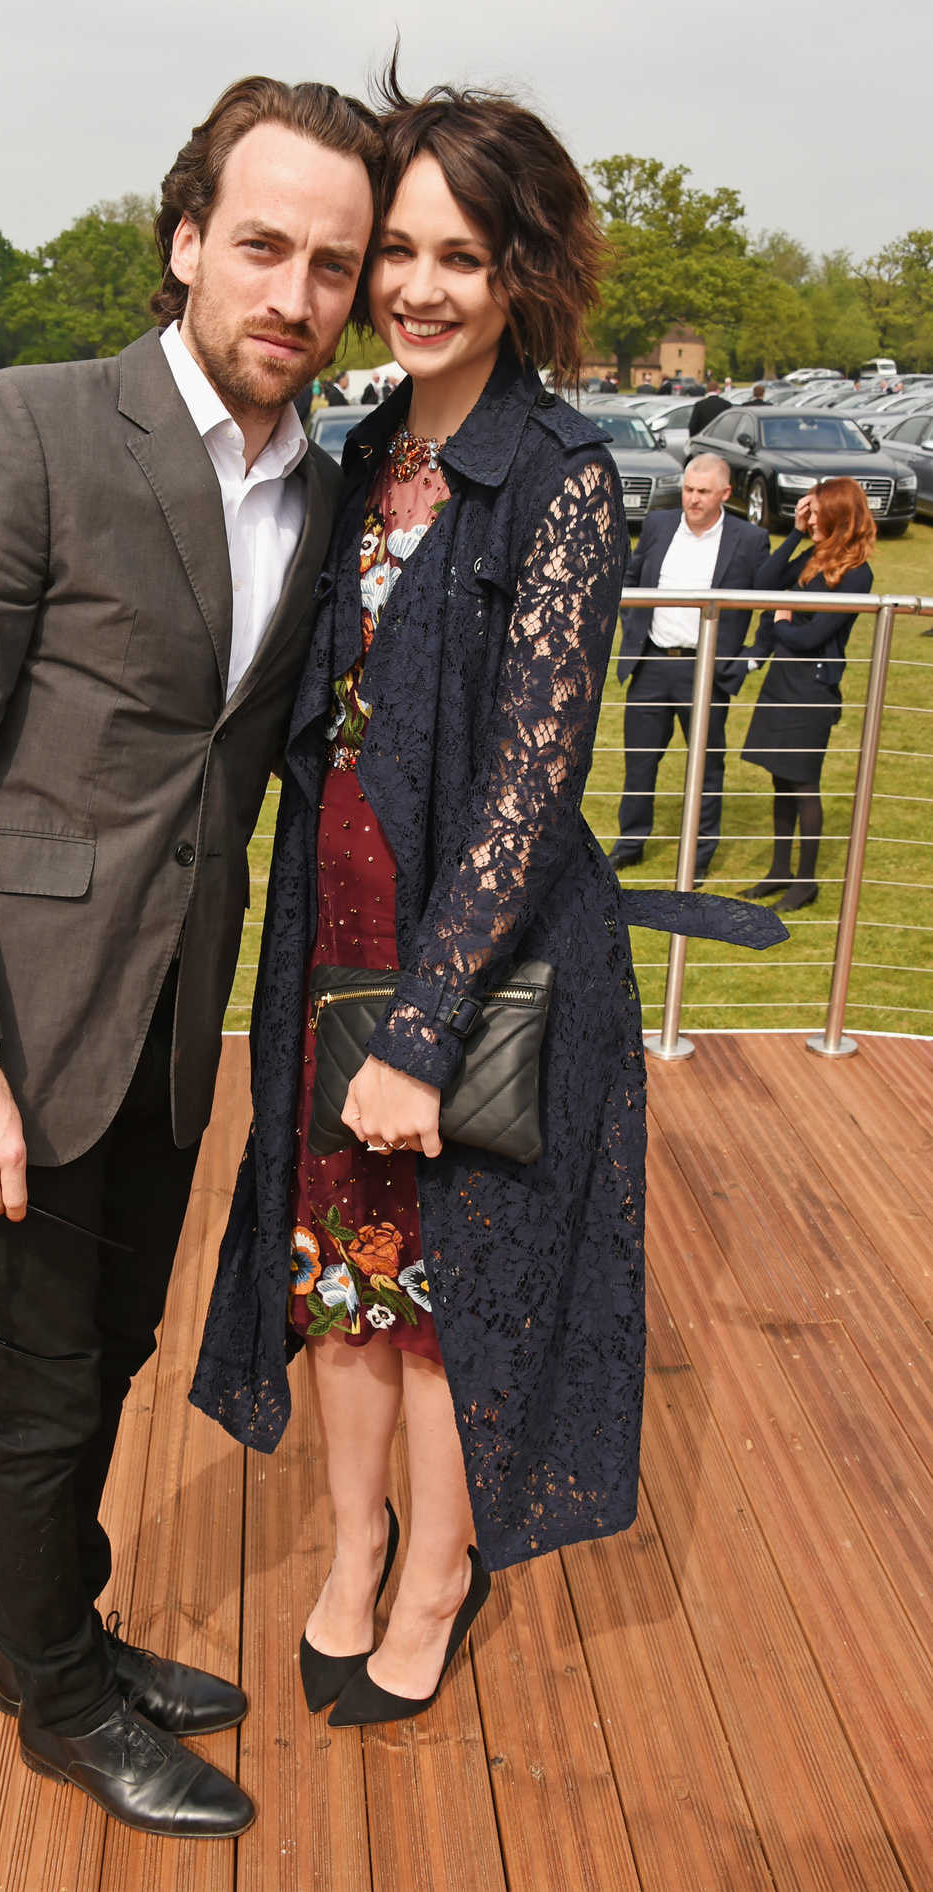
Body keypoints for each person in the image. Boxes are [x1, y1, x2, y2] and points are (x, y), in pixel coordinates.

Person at [191, 69, 783, 1734]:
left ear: (522, 270)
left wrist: (427, 1031)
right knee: (343, 1279)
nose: (417, 286)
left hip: (486, 971)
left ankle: (439, 1573)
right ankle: (352, 1538)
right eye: (397, 249)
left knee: (448, 1298)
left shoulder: (563, 480)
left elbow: (531, 793)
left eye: (460, 254)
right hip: (332, 939)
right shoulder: (366, 448)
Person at [0, 75, 381, 1839]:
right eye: (263, 245)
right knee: (42, 1384)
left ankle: (72, 1625)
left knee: (114, 1349)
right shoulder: (33, 428)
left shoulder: (319, 483)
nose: (293, 292)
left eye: (331, 263)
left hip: (165, 1020)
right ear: (186, 244)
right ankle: (55, 1697)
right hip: (12, 1025)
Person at [608, 455, 769, 879]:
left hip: (706, 672)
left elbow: (773, 603)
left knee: (706, 768)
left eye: (703, 492)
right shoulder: (660, 526)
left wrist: (750, 659)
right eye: (688, 489)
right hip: (651, 665)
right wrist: (633, 630)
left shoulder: (750, 540)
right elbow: (631, 579)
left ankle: (697, 859)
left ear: (725, 494)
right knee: (640, 763)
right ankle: (630, 844)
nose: (693, 499)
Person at [741, 479, 875, 910]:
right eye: (809, 511)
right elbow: (763, 581)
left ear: (840, 515)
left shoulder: (858, 574)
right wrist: (797, 531)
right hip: (783, 681)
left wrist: (780, 622)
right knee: (780, 778)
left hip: (813, 688)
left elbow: (813, 635)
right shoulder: (815, 557)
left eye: (816, 513)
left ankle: (806, 880)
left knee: (803, 782)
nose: (811, 517)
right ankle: (780, 869)